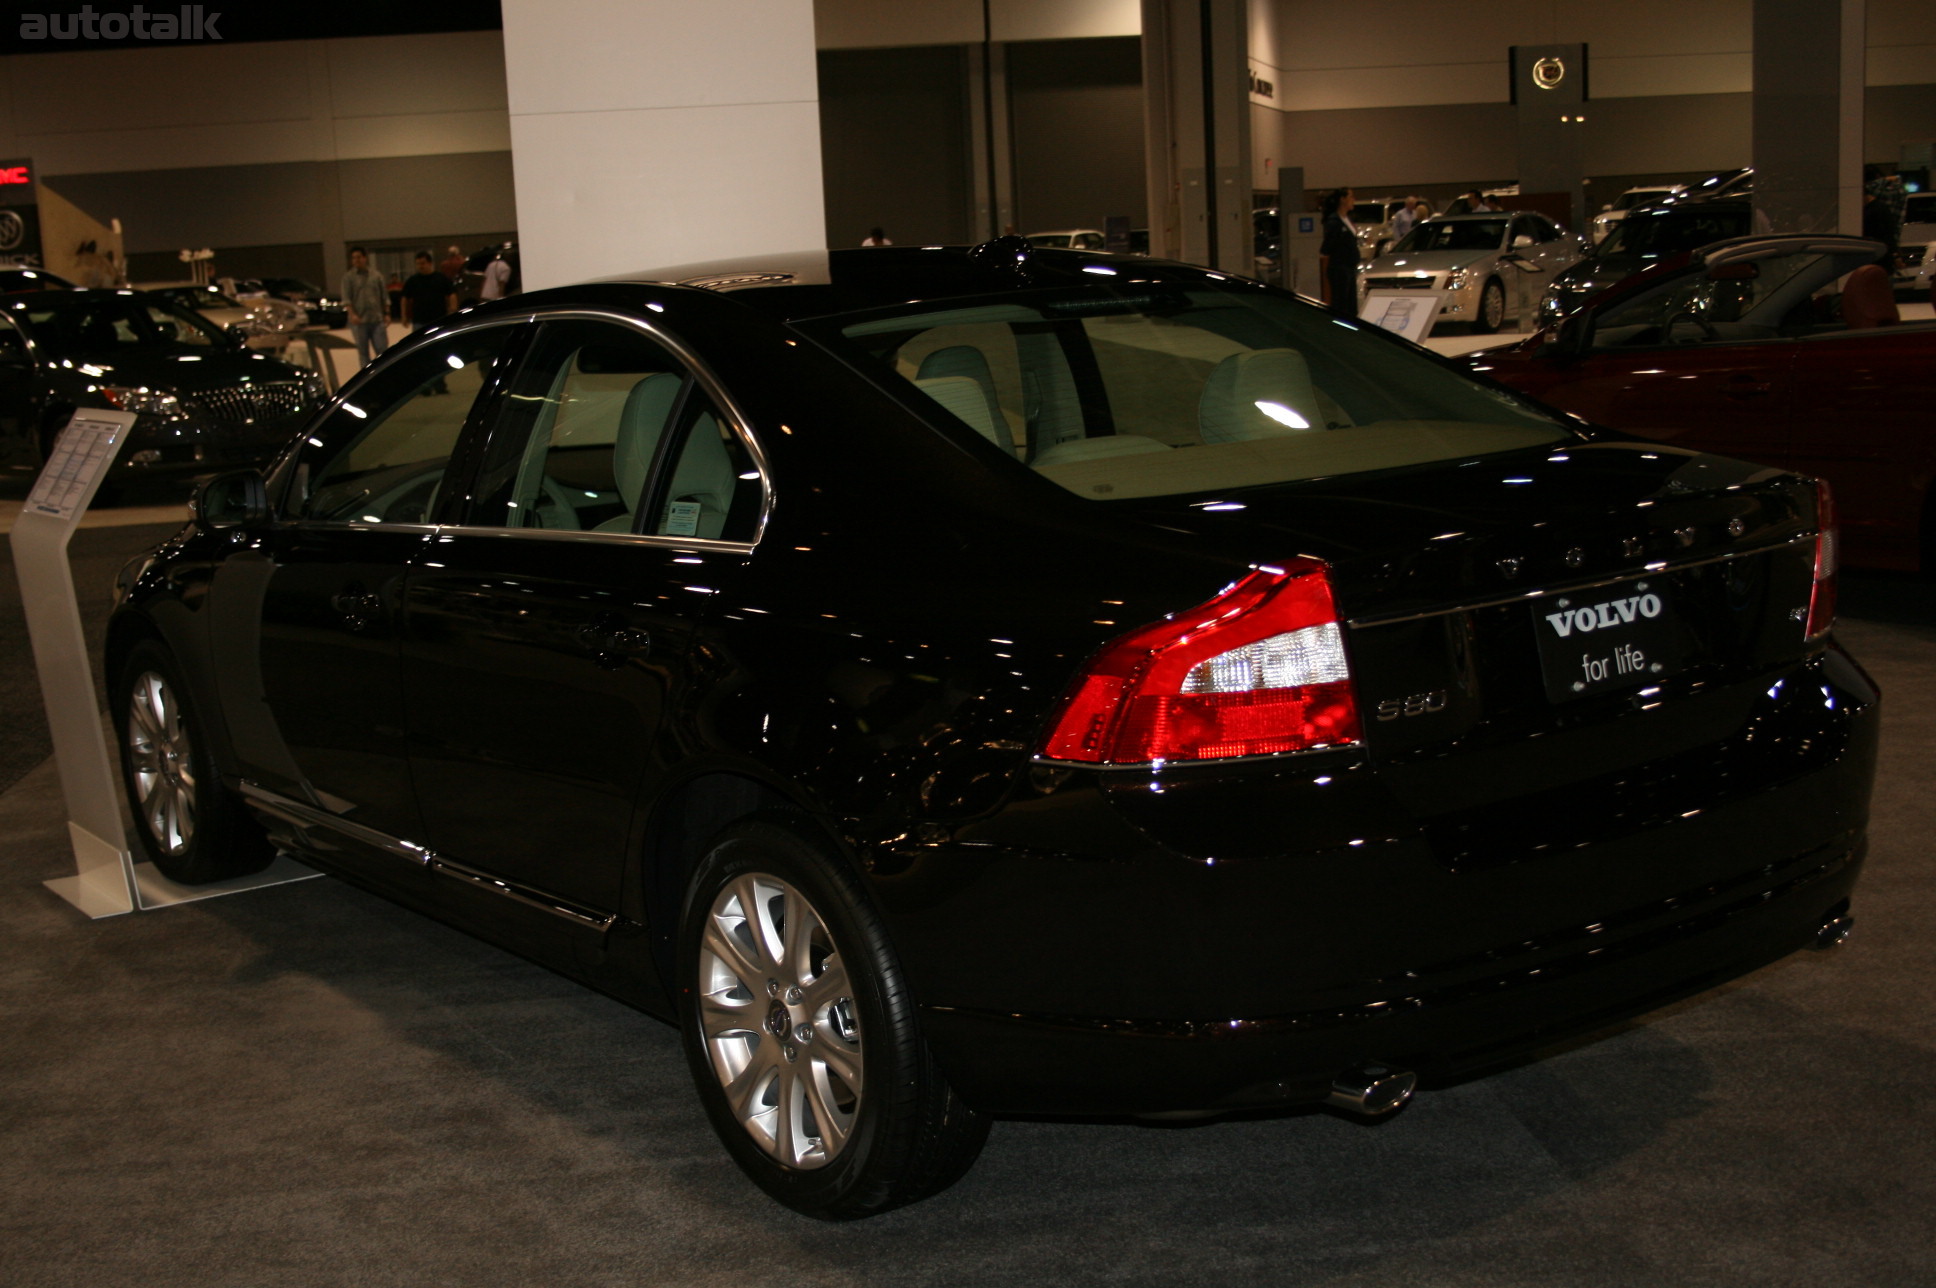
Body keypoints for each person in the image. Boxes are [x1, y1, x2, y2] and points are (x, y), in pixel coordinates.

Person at [400, 251, 457, 393]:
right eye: (418, 264)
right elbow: (405, 298)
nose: (421, 266)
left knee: (439, 354)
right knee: (421, 356)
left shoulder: (440, 278)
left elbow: (451, 294)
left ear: (430, 263)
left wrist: (452, 311)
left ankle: (440, 385)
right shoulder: (413, 281)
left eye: (423, 263)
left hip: (438, 321)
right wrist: (404, 316)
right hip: (419, 322)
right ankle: (424, 387)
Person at [339, 246, 389, 365]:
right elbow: (346, 299)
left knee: (382, 351)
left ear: (365, 258)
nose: (356, 260)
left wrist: (387, 313)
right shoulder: (348, 278)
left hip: (377, 320)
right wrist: (352, 315)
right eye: (354, 258)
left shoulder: (376, 276)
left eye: (359, 257)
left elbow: (384, 297)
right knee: (363, 353)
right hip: (359, 322)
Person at [1319, 188, 1361, 320]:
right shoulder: (1334, 221)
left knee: (1351, 305)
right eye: (1350, 196)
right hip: (1340, 268)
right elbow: (1327, 246)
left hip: (1350, 267)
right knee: (1341, 304)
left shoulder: (1347, 219)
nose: (1353, 200)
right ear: (1342, 199)